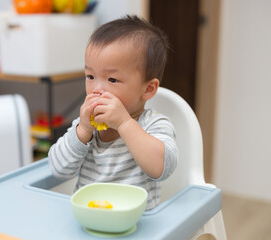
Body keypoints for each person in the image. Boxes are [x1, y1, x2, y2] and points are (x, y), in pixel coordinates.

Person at [48, 15, 178, 211]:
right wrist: (82, 130)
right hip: (88, 218)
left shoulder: (154, 124)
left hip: (136, 224)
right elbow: (58, 170)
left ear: (148, 89)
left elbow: (162, 169)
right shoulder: (86, 127)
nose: (96, 89)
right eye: (90, 76)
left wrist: (124, 123)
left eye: (112, 80)